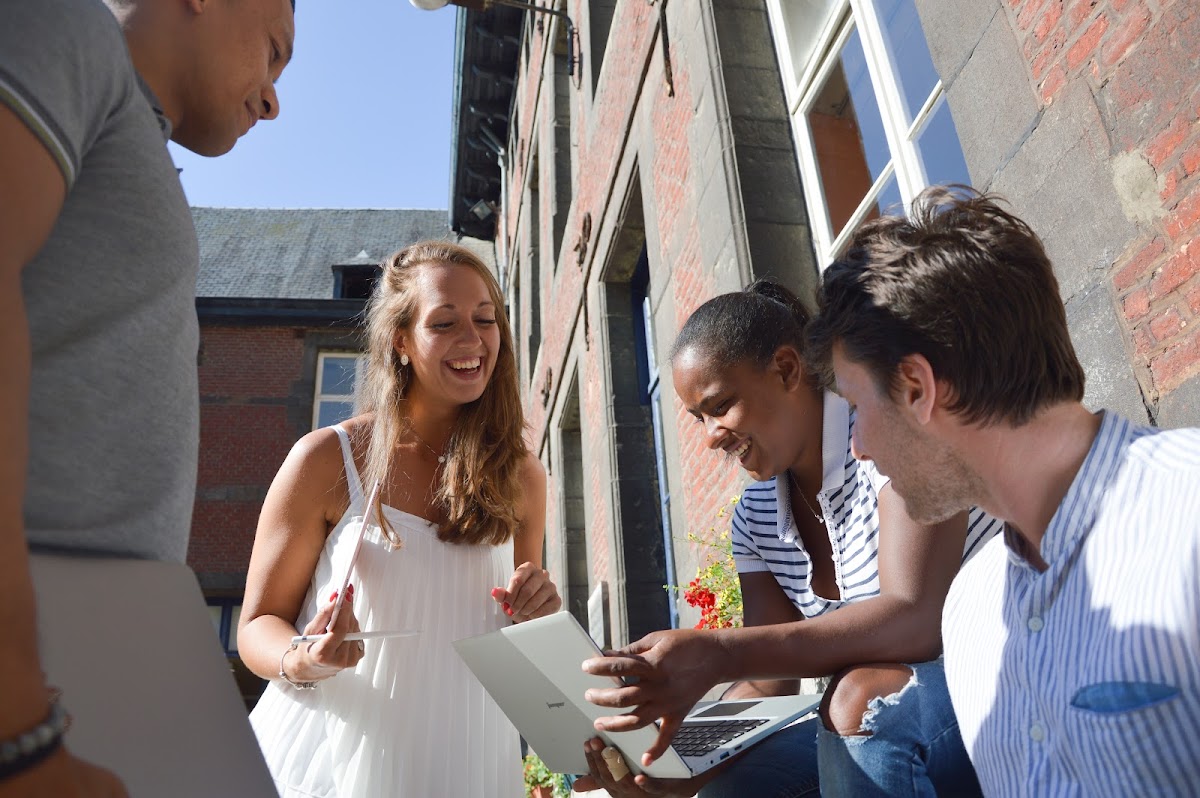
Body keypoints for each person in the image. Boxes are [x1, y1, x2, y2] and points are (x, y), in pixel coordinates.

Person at [804, 184, 1200, 795]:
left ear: (917, 388)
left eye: (857, 407)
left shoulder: (1187, 509)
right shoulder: (970, 611)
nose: (856, 446)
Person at [0, 0, 294, 794]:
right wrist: (15, 727)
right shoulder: (63, 25)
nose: (273, 98)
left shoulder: (130, 129)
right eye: (273, 51)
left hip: (109, 642)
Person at [575, 280, 1001, 797]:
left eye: (720, 405)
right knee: (733, 789)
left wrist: (719, 652)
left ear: (785, 369)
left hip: (995, 676)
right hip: (887, 721)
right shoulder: (755, 518)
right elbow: (768, 681)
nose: (710, 435)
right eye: (699, 418)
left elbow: (917, 619)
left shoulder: (888, 430)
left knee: (859, 703)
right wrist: (676, 763)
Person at [238, 241, 562, 797]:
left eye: (486, 319)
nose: (473, 339)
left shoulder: (522, 476)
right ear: (401, 341)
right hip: (330, 755)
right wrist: (303, 657)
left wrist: (539, 612)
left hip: (467, 759)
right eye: (445, 322)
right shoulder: (327, 458)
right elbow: (257, 625)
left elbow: (518, 636)